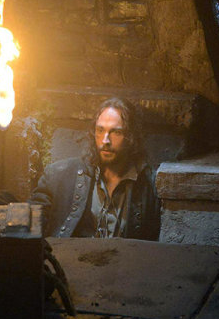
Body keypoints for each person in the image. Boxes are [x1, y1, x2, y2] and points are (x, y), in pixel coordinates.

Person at [30, 97, 161, 240]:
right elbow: (29, 224)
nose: (105, 140)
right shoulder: (58, 175)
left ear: (131, 137)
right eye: (100, 130)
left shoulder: (150, 185)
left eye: (116, 132)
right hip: (74, 254)